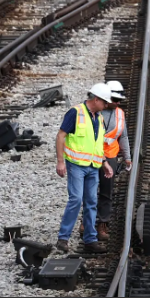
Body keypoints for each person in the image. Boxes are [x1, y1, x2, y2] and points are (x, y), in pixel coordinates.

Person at [54, 83, 114, 254]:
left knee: (91, 203)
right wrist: (60, 162)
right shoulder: (76, 112)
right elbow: (61, 136)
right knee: (76, 200)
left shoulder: (99, 118)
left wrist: (104, 162)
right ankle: (63, 238)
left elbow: (96, 145)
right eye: (104, 102)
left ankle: (90, 240)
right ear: (96, 99)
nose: (106, 106)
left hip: (93, 167)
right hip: (77, 166)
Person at [94, 80, 132, 241]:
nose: (117, 103)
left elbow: (123, 135)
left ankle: (103, 224)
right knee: (88, 191)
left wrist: (127, 157)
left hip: (110, 155)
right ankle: (86, 222)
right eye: (114, 100)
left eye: (119, 101)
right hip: (93, 154)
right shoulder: (95, 112)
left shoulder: (120, 114)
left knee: (106, 191)